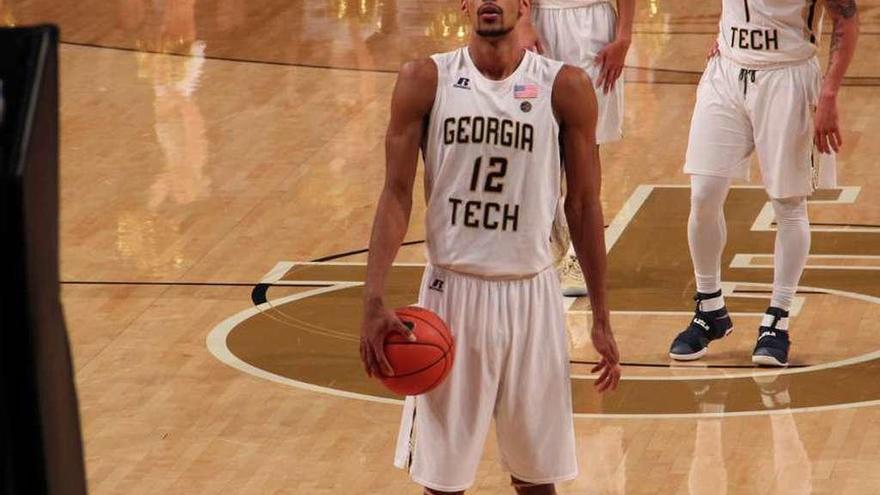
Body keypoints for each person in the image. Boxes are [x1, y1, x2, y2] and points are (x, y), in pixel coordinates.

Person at [359, 0, 621, 492]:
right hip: (450, 295)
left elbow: (584, 206)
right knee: (442, 484)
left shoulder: (565, 87)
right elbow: (394, 195)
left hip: (533, 297)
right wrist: (372, 299)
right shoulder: (425, 80)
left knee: (538, 480)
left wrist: (601, 317)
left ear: (525, 4)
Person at [668, 0, 859, 366]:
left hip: (788, 77)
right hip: (726, 71)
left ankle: (777, 319)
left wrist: (829, 94)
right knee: (704, 194)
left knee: (788, 204)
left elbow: (847, 20)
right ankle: (710, 308)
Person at [517, 0, 634, 296]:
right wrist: (522, 20)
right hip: (538, 19)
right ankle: (543, 247)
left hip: (592, 25)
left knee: (584, 145)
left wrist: (624, 37)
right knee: (537, 143)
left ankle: (579, 256)